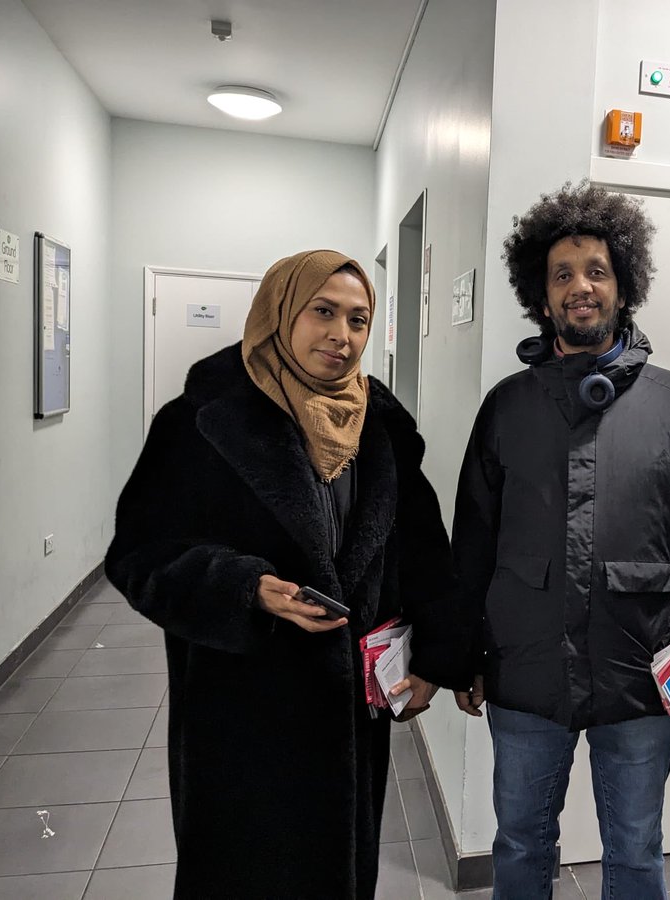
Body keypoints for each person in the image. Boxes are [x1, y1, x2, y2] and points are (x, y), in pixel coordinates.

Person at [105, 250, 467, 899]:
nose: (342, 334)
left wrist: (438, 660)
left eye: (358, 319)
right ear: (278, 312)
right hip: (242, 712)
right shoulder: (201, 424)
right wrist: (244, 587)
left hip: (353, 718)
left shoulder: (380, 429)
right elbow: (139, 553)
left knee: (338, 872)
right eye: (322, 311)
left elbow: (424, 553)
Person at [451, 182, 670, 899]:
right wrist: (460, 654)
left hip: (638, 676)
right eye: (563, 275)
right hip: (523, 675)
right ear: (540, 294)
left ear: (623, 285)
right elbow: (472, 545)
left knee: (637, 850)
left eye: (597, 271)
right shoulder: (506, 407)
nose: (581, 287)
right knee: (520, 844)